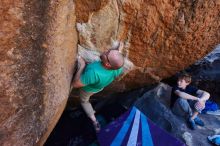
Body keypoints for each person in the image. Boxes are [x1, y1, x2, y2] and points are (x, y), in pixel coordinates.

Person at [71, 44, 124, 132]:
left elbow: (75, 84)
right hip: (99, 87)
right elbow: (116, 59)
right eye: (108, 51)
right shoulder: (118, 68)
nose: (105, 51)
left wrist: (82, 66)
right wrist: (118, 50)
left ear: (107, 64)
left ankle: (94, 121)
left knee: (84, 101)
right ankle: (96, 122)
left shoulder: (94, 72)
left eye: (106, 53)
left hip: (87, 90)